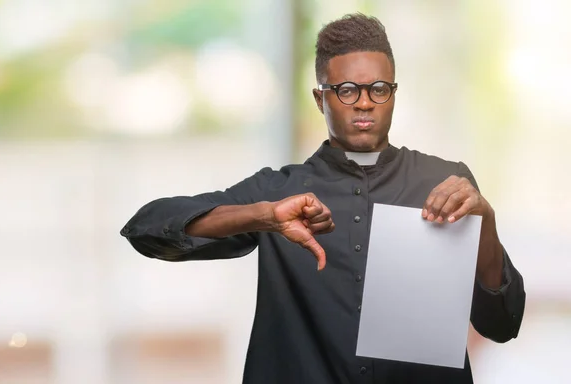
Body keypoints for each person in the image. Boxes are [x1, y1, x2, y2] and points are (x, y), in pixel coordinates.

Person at [120, 13, 525, 384]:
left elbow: (502, 324)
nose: (364, 102)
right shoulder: (277, 192)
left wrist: (485, 220)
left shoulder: (446, 183)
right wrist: (261, 217)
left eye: (378, 89)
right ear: (320, 99)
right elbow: (145, 229)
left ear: (394, 94)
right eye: (347, 90)